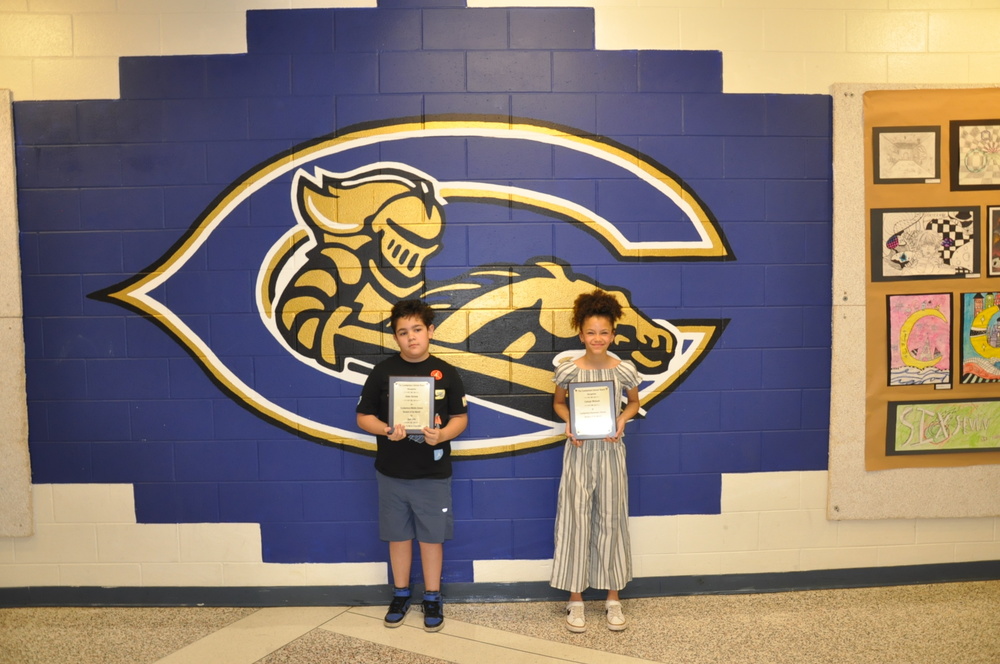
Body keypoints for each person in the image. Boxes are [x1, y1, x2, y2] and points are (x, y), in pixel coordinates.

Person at [356, 299, 468, 632]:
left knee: (431, 539)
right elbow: (363, 417)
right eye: (403, 332)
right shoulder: (382, 372)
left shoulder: (446, 372)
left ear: (430, 331)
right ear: (395, 337)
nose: (411, 337)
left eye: (417, 329)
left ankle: (432, 596)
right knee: (398, 537)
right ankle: (401, 594)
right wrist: (386, 429)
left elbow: (461, 419)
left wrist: (442, 435)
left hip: (433, 475)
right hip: (392, 472)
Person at [550, 289, 641, 633]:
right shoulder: (568, 370)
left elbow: (633, 402)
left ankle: (613, 598)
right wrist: (569, 421)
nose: (598, 338)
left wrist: (621, 420)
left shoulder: (624, 370)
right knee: (575, 521)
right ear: (580, 334)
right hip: (578, 451)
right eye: (591, 332)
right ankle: (575, 600)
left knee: (611, 519)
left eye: (604, 332)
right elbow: (559, 402)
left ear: (613, 335)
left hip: (611, 451)